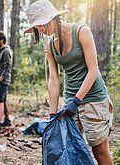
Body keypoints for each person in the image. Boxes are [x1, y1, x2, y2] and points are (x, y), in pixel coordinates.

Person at [24, 0, 114, 164]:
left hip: (94, 99)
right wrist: (52, 114)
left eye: (42, 24)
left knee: (99, 151)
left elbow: (93, 70)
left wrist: (77, 100)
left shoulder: (81, 31)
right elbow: (54, 80)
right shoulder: (50, 45)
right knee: (70, 148)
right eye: (37, 27)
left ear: (53, 18)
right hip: (70, 101)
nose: (42, 29)